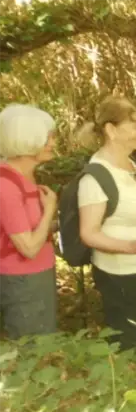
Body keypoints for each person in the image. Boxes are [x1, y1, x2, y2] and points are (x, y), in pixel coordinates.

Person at [75, 96, 136, 350]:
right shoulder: (96, 177)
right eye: (135, 125)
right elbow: (89, 234)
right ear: (111, 130)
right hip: (120, 275)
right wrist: (132, 246)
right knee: (128, 342)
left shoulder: (129, 164)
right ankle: (124, 385)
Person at [0, 104, 59, 339]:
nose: (53, 143)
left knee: (45, 344)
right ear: (27, 141)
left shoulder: (24, 177)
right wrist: (49, 210)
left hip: (38, 275)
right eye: (48, 138)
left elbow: (31, 230)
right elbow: (29, 247)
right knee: (32, 351)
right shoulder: (6, 185)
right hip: (22, 281)